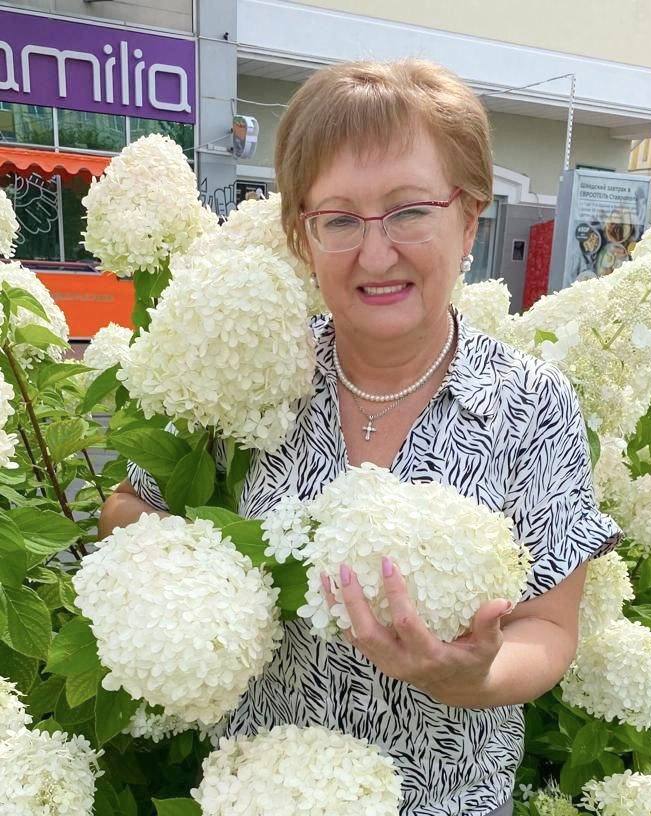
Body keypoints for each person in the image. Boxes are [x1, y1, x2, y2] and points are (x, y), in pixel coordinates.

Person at [100, 59, 620, 816]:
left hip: (447, 798)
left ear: (469, 216)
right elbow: (124, 509)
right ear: (301, 235)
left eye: (410, 211)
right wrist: (210, 570)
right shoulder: (247, 365)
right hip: (262, 794)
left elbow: (547, 626)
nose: (376, 254)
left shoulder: (533, 405)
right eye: (339, 218)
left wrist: (473, 676)